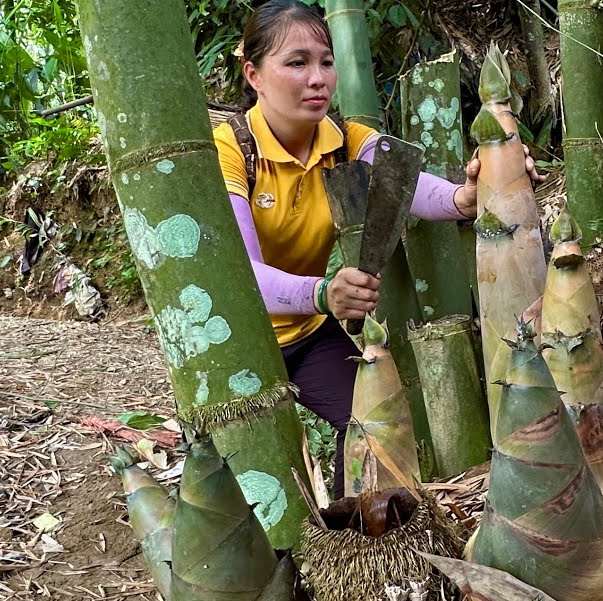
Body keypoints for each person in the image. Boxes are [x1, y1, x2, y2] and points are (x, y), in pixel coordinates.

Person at [213, 0, 540, 497]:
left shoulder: (344, 139)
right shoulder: (231, 149)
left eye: (326, 61)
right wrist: (324, 294)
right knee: (251, 465)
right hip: (237, 342)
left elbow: (409, 184)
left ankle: (349, 540)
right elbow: (242, 276)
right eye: (296, 63)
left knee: (367, 424)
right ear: (254, 74)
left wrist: (469, 196)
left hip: (304, 334)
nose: (318, 78)